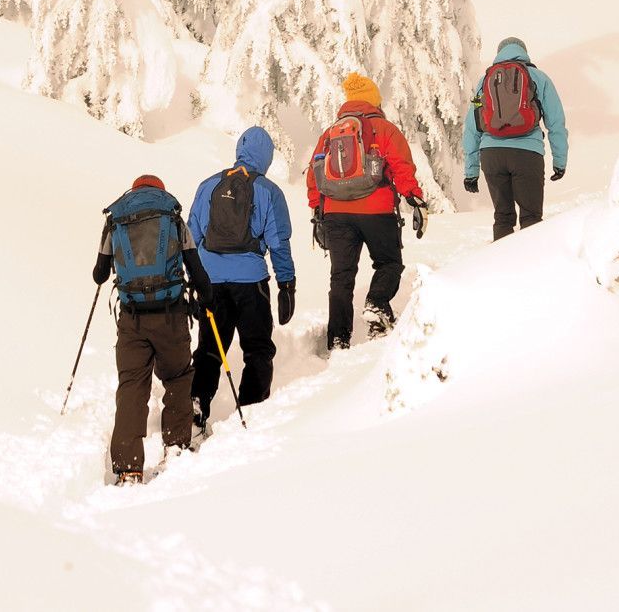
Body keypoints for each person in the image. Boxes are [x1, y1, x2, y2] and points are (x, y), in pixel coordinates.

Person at [93, 173, 214, 486]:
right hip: (170, 316)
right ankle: (175, 447)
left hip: (132, 319)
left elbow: (99, 274)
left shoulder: (117, 219)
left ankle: (129, 468)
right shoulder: (172, 217)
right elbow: (195, 268)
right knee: (177, 377)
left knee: (132, 386)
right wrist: (206, 296)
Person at [306, 72, 427, 351]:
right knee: (389, 264)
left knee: (341, 276)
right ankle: (377, 306)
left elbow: (313, 176)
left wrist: (317, 210)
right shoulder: (384, 129)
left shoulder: (330, 134)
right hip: (376, 210)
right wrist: (415, 199)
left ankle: (338, 339)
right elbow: (401, 167)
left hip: (336, 213)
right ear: (374, 101)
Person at [188, 128, 295, 433]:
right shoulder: (268, 191)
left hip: (211, 282)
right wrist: (287, 284)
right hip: (251, 284)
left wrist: (194, 281)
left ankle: (196, 409)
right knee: (258, 348)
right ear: (267, 157)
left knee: (209, 347)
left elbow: (191, 236)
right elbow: (278, 242)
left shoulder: (209, 186)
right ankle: (252, 410)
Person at [463, 36, 568, 239]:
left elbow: (472, 125)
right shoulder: (538, 77)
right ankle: (529, 266)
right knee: (531, 217)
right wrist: (559, 161)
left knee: (503, 217)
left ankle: (502, 267)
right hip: (527, 154)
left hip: (492, 155)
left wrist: (471, 171)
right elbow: (556, 122)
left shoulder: (485, 81)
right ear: (524, 52)